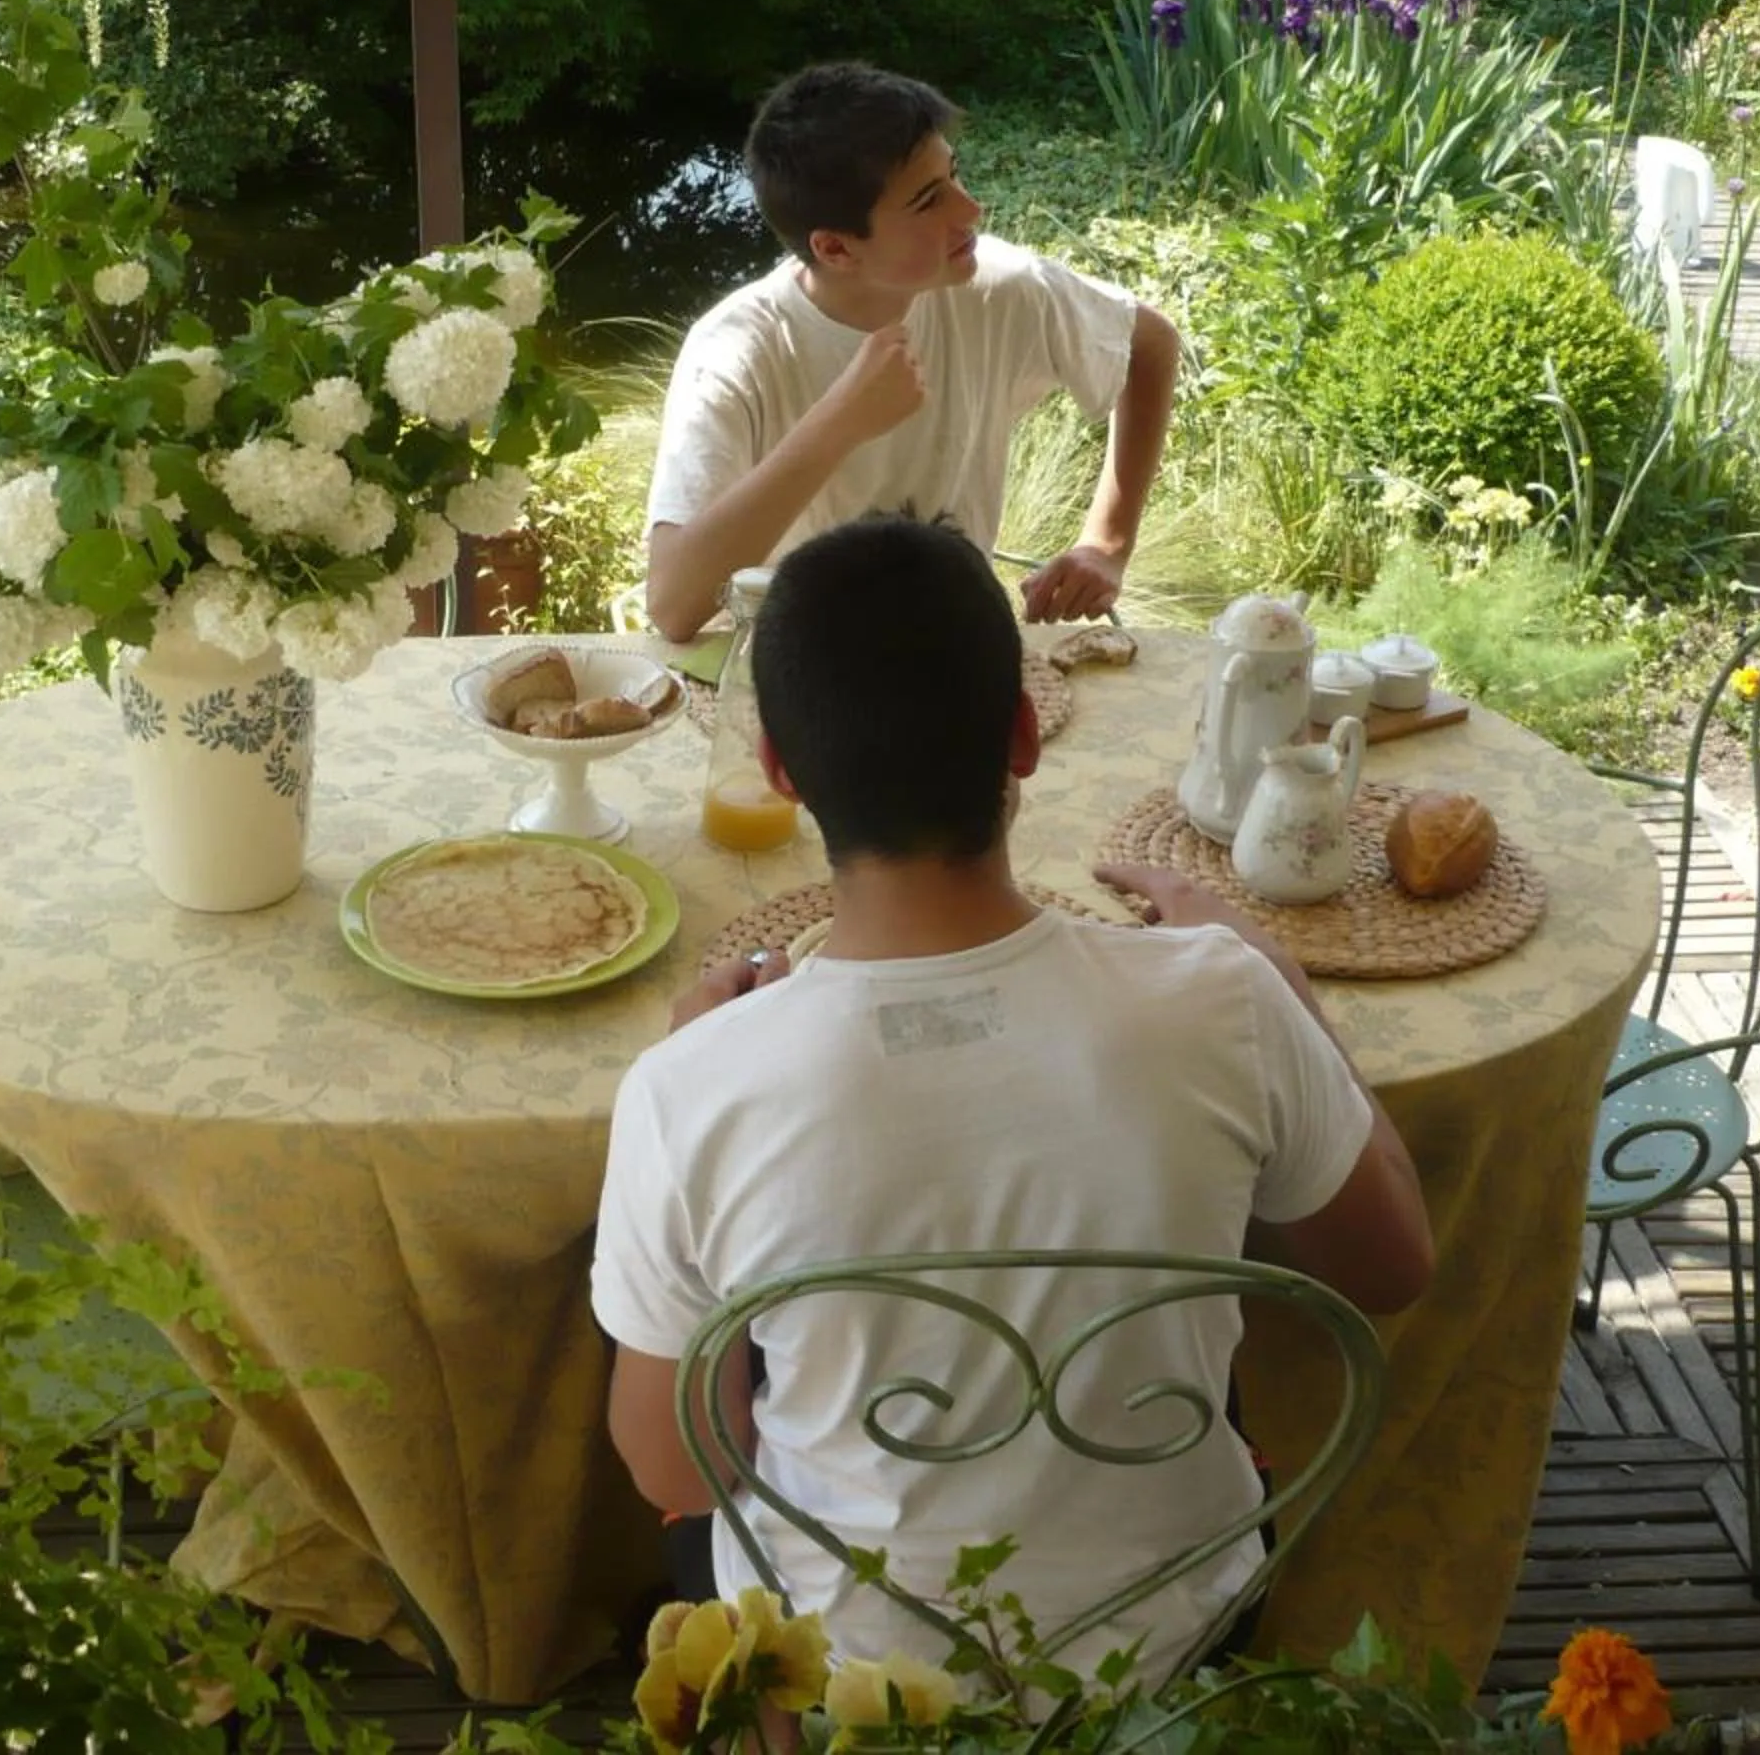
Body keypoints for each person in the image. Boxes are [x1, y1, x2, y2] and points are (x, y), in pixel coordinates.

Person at [590, 514, 1433, 1684]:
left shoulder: (690, 1087)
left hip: (862, 1683)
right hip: (1173, 1636)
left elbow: (682, 1474)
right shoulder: (1221, 999)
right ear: (1025, 736)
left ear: (781, 772)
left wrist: (691, 1061)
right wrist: (1283, 983)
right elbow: (1391, 1270)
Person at [641, 62, 1182, 643]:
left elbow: (1149, 343)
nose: (970, 210)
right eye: (929, 201)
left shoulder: (1000, 289)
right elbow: (672, 605)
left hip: (956, 647)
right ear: (835, 248)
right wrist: (839, 423)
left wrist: (1106, 543)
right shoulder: (735, 349)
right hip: (794, 665)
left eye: (954, 175)